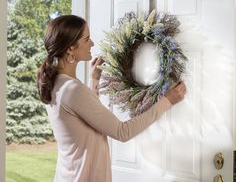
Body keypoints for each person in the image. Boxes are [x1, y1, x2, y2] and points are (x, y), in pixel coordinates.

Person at [37, 15, 186, 182]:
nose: (92, 43)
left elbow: (87, 117)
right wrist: (167, 101)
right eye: (87, 39)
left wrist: (94, 79)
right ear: (70, 49)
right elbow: (122, 132)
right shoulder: (72, 89)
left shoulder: (56, 83)